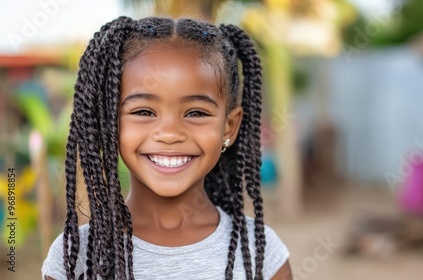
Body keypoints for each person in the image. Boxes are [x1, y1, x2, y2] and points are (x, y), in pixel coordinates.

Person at [41, 16, 291, 280]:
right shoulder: (76, 259)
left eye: (195, 113)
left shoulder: (261, 255)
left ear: (229, 126)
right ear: (109, 121)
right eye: (144, 111)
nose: (170, 134)